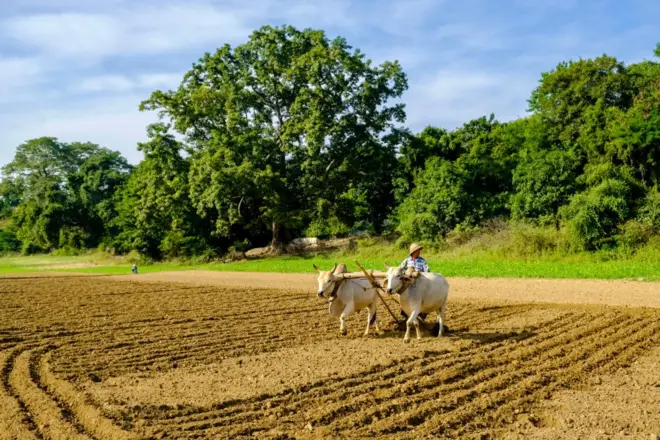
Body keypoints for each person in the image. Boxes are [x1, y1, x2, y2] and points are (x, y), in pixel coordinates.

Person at [398, 243, 429, 321]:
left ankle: (421, 313)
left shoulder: (422, 260)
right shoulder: (407, 260)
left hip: (419, 280)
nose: (419, 252)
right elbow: (400, 269)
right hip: (408, 282)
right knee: (402, 293)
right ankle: (404, 309)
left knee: (424, 296)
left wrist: (419, 273)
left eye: (419, 251)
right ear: (413, 252)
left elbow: (427, 270)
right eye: (417, 251)